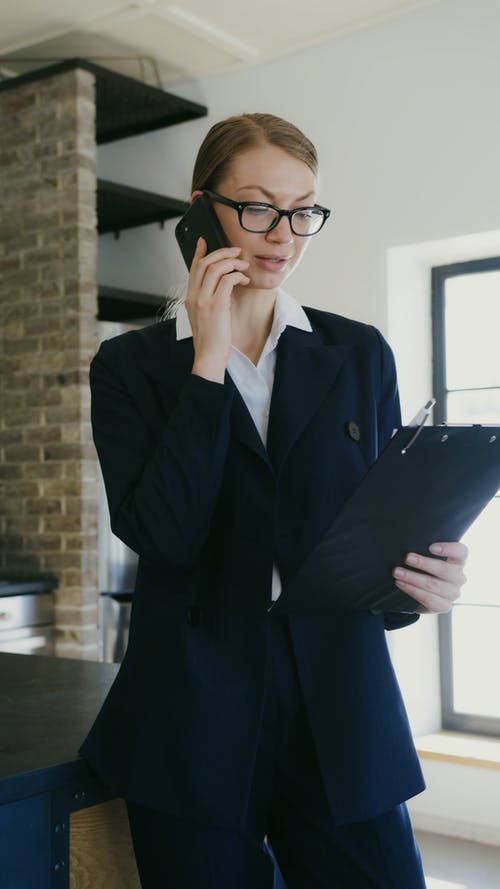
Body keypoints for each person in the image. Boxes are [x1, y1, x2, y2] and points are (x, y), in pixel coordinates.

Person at [80, 113, 467, 888]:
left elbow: (374, 526)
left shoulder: (357, 351)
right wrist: (209, 360)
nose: (282, 233)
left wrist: (424, 579)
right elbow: (165, 535)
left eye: (303, 210)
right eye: (257, 206)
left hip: (342, 704)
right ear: (200, 209)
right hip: (191, 711)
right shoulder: (128, 367)